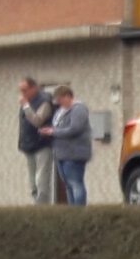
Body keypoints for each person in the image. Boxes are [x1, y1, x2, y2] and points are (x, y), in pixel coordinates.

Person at [46, 85, 94, 206]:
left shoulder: (78, 109)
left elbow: (74, 129)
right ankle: (72, 210)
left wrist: (54, 132)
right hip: (61, 153)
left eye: (60, 99)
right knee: (68, 185)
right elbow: (58, 127)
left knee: (75, 183)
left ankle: (79, 210)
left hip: (74, 154)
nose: (58, 102)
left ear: (68, 96)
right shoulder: (60, 112)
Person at [16, 76, 56, 204]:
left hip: (42, 144)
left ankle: (42, 210)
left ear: (34, 88)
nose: (22, 93)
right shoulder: (26, 102)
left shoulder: (44, 101)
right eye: (20, 90)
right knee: (32, 183)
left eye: (25, 90)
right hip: (28, 145)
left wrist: (26, 106)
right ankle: (36, 207)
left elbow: (37, 121)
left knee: (41, 181)